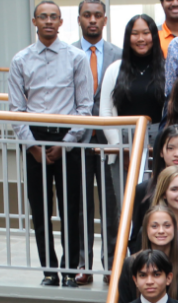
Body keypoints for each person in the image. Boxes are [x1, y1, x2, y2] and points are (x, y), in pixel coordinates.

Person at [9, 1, 96, 287]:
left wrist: (66, 143)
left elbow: (85, 107)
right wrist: (32, 145)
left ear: (61, 23)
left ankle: (70, 272)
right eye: (43, 17)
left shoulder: (75, 58)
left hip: (67, 139)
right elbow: (15, 109)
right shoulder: (20, 60)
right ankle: (49, 271)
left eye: (53, 17)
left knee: (71, 208)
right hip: (34, 139)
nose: (48, 21)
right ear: (34, 22)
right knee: (40, 208)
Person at [74, 0, 121, 264]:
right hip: (77, 141)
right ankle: (83, 262)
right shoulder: (67, 53)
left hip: (109, 141)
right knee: (81, 206)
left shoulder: (120, 54)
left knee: (111, 205)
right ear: (79, 19)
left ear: (105, 20)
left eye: (98, 16)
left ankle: (111, 263)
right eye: (87, 15)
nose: (92, 20)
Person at [101, 15, 168, 164]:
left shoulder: (167, 69)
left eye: (146, 33)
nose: (141, 39)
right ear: (127, 37)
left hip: (158, 141)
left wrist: (162, 144)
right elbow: (105, 112)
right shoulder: (114, 69)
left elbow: (172, 110)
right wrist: (120, 148)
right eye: (135, 33)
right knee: (124, 188)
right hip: (122, 141)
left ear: (154, 36)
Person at [130, 125, 178, 242]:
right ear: (161, 152)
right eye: (171, 148)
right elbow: (136, 236)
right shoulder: (143, 189)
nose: (177, 154)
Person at [118, 208, 178, 303]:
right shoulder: (130, 264)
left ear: (174, 228)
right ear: (146, 230)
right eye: (154, 226)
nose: (161, 231)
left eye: (167, 226)